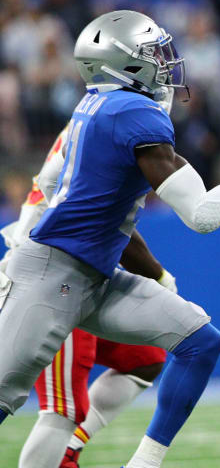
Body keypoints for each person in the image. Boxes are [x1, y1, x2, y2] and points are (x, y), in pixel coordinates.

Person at [0, 10, 220, 468]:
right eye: (151, 53)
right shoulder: (131, 112)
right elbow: (203, 216)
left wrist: (156, 272)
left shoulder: (104, 106)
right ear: (120, 64)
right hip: (52, 272)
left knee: (200, 340)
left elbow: (90, 203)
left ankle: (145, 463)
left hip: (95, 274)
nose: (165, 62)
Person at [2, 123, 171, 468]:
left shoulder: (91, 124)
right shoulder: (106, 127)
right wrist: (158, 275)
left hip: (77, 274)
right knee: (62, 409)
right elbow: (108, 222)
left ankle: (68, 449)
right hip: (57, 278)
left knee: (144, 358)